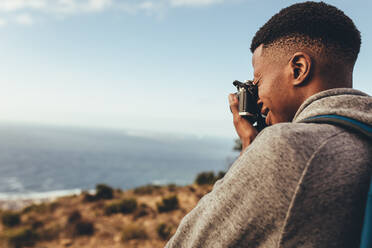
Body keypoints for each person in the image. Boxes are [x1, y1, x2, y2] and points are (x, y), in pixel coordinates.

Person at [165, 1, 372, 248]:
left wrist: (253, 152)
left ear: (298, 69)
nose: (257, 96)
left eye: (258, 81)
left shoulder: (288, 149)